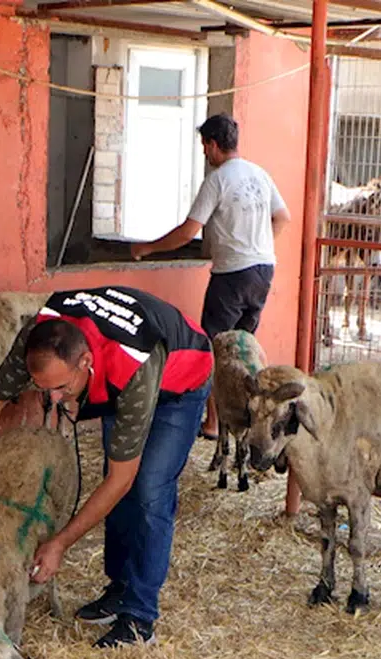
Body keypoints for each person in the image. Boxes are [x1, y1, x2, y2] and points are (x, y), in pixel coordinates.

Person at [0, 286, 213, 648]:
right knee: (121, 480)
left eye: (61, 388)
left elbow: (120, 479)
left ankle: (140, 617)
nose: (54, 399)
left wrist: (60, 543)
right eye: (44, 390)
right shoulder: (37, 337)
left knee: (148, 489)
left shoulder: (131, 364)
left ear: (84, 363)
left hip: (181, 377)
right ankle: (119, 589)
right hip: (118, 370)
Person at [129, 113, 288, 441]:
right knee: (245, 348)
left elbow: (188, 232)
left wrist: (146, 249)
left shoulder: (217, 180)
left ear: (214, 145)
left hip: (231, 275)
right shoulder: (259, 174)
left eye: (205, 146)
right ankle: (251, 419)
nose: (204, 153)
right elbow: (282, 217)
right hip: (263, 271)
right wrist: (256, 244)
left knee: (214, 348)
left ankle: (214, 423)